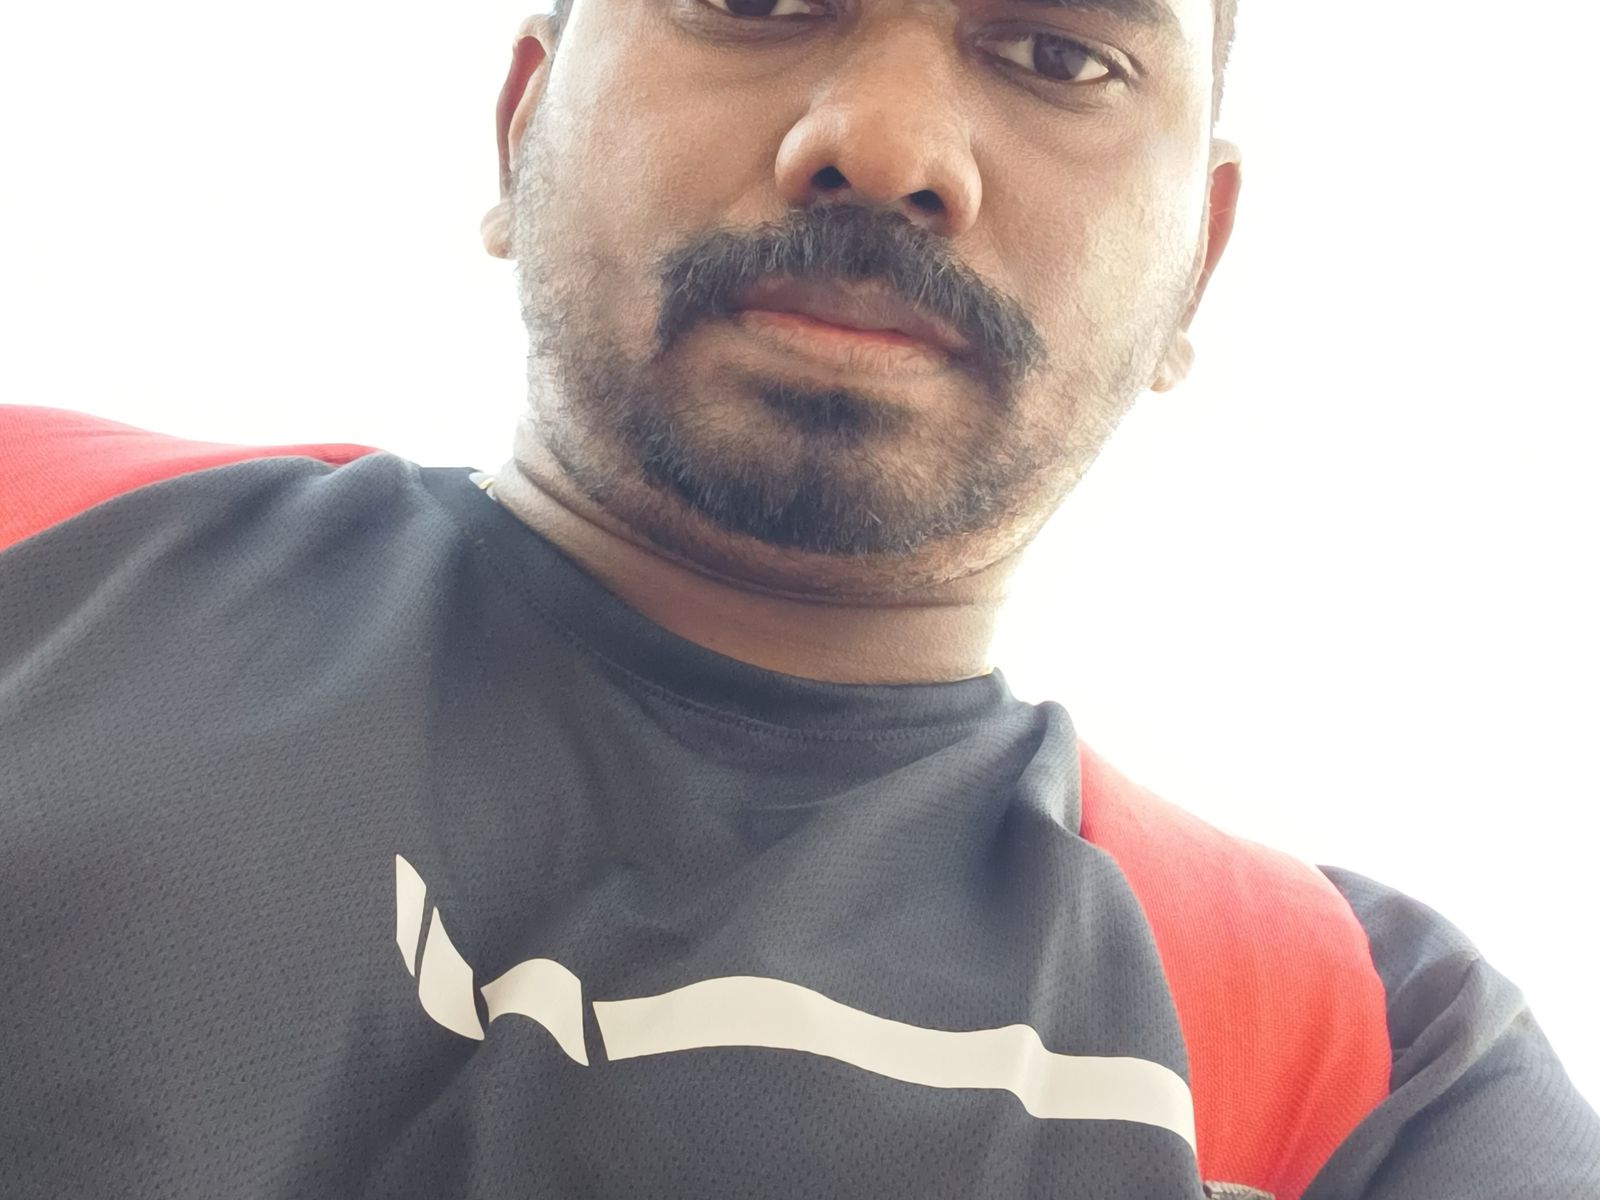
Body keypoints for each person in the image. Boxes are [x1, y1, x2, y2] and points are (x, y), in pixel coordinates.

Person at [1, 0, 1596, 1194]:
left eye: (1058, 54)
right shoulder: (31, 528)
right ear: (521, 122)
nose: (887, 147)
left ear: (1199, 264)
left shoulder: (1367, 1065)